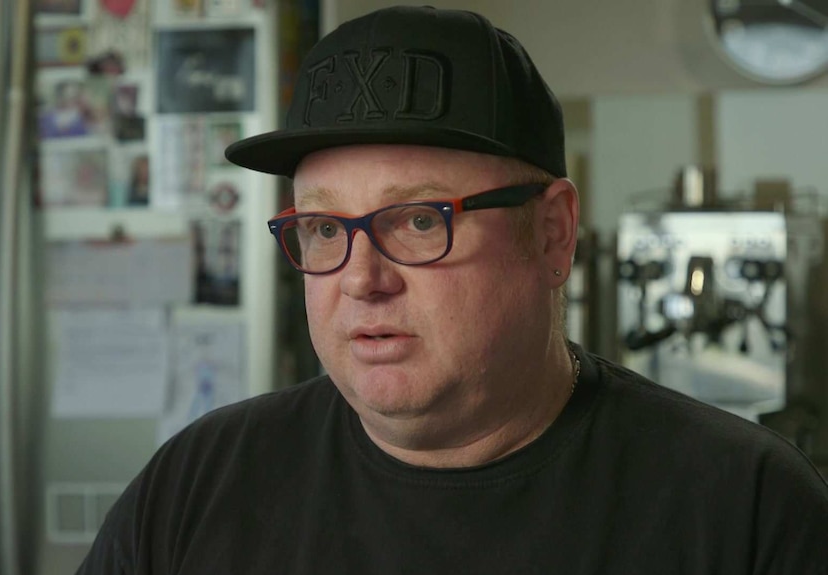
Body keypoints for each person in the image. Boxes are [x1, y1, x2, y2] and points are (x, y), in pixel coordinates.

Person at [77, 6, 828, 574]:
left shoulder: (746, 507)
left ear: (553, 233)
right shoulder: (198, 483)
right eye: (324, 227)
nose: (362, 280)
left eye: (416, 220)